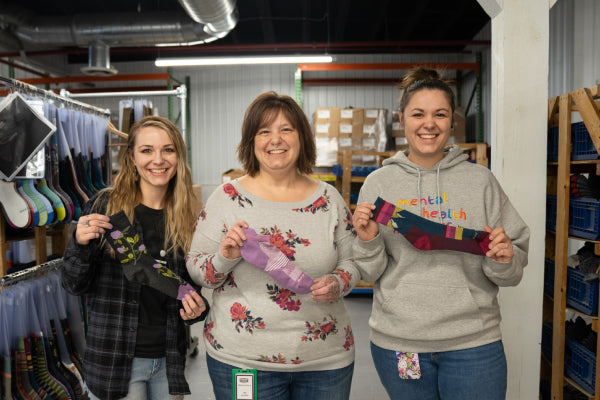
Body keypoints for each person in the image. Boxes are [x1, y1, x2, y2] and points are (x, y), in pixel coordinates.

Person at [352, 67, 530, 400]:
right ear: (402, 118)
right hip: (400, 345)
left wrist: (504, 258)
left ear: (452, 120)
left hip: (473, 343)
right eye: (418, 114)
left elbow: (511, 271)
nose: (429, 124)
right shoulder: (379, 184)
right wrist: (369, 240)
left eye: (440, 114)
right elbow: (370, 270)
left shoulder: (481, 182)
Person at [186, 91, 360, 400]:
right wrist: (225, 257)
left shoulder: (329, 199)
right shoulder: (226, 198)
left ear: (301, 137)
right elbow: (199, 271)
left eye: (286, 129)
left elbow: (354, 262)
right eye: (264, 131)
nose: (275, 140)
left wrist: (339, 281)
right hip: (242, 360)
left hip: (325, 361)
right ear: (251, 141)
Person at [61, 115, 209, 400]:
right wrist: (79, 245)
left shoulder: (189, 214)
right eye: (147, 150)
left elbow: (194, 287)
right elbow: (74, 285)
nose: (158, 159)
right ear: (131, 157)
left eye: (168, 149)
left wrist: (196, 309)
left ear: (179, 155)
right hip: (115, 361)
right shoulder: (106, 206)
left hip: (169, 359)